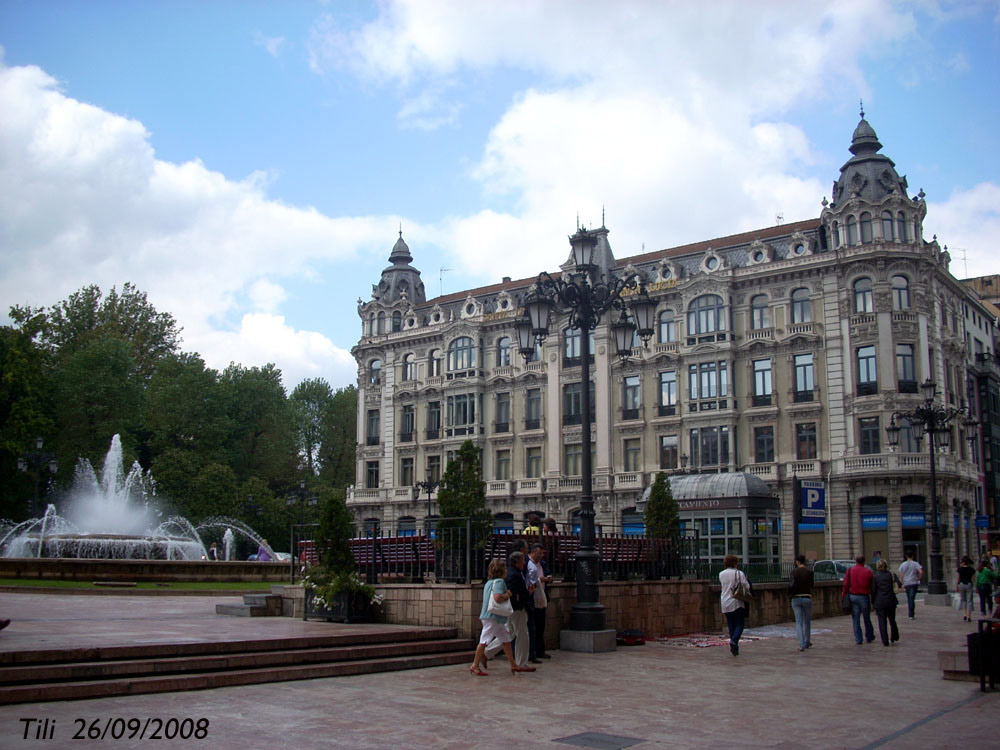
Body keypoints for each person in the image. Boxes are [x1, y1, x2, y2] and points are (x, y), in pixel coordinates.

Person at [484, 549, 535, 672]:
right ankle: (521, 662)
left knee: (508, 634)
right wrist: (519, 597)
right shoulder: (514, 575)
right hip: (517, 609)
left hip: (514, 609)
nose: (524, 563)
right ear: (517, 562)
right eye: (522, 561)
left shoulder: (515, 573)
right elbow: (511, 590)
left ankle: (486, 653)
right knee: (522, 634)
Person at [469, 558, 516, 676]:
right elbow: (497, 597)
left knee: (506, 640)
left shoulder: (488, 583)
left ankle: (513, 664)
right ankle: (475, 665)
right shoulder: (500, 582)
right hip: (493, 617)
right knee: (484, 641)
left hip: (493, 616)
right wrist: (507, 595)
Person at [719, 554, 750, 656]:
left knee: (731, 624)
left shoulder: (721, 574)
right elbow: (747, 586)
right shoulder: (739, 573)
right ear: (735, 563)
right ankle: (734, 640)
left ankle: (734, 645)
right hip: (736, 601)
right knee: (739, 624)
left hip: (725, 601)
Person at [842, 555, 875, 644]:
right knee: (866, 617)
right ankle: (869, 636)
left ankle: (858, 638)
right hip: (864, 596)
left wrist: (844, 593)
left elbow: (846, 583)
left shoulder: (850, 570)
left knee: (855, 618)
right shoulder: (868, 572)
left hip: (853, 595)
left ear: (856, 561)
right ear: (864, 562)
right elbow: (872, 586)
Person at [527, 543, 552, 660]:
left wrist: (548, 578)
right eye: (539, 553)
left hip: (542, 596)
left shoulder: (542, 564)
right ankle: (531, 652)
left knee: (541, 626)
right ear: (532, 552)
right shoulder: (528, 563)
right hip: (532, 598)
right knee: (532, 627)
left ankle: (540, 650)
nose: (540, 556)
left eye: (542, 553)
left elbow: (547, 573)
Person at [871, 559, 901, 646]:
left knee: (882, 621)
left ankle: (885, 640)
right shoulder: (891, 575)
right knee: (892, 619)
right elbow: (899, 584)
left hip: (880, 602)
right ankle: (894, 635)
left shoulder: (876, 577)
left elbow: (873, 590)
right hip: (891, 600)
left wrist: (873, 601)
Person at [789, 554, 814, 651]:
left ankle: (801, 644)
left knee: (798, 622)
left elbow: (791, 585)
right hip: (807, 597)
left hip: (796, 598)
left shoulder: (794, 572)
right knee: (807, 621)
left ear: (797, 562)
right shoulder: (809, 572)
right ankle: (807, 641)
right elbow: (812, 585)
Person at [897, 550, 923, 619]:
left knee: (909, 598)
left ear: (906, 556)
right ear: (912, 556)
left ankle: (910, 614)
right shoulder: (915, 564)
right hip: (914, 582)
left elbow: (901, 575)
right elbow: (921, 572)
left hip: (907, 583)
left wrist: (901, 583)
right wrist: (919, 578)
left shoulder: (903, 564)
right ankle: (911, 614)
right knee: (912, 598)